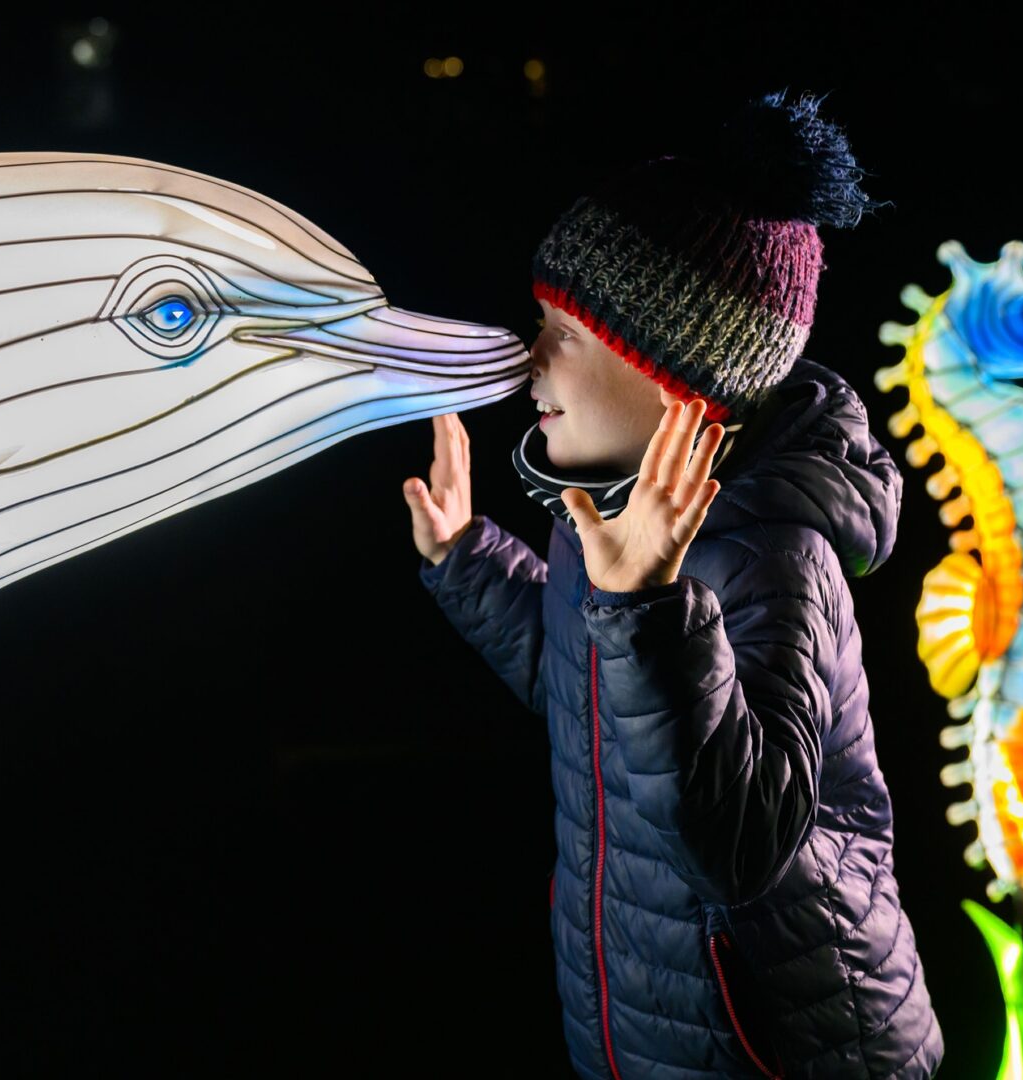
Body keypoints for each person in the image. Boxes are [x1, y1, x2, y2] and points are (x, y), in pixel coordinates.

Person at [403, 90, 943, 1079]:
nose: (530, 362)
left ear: (676, 380)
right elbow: (586, 688)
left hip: (788, 1038)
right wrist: (467, 562)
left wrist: (648, 611)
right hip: (645, 1017)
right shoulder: (605, 519)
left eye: (562, 331)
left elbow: (742, 844)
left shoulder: (774, 559)